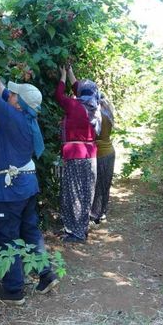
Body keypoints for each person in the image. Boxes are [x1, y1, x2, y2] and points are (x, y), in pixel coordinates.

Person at [0, 63, 59, 305]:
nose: (9, 94)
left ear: (18, 103)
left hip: (9, 190)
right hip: (27, 187)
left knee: (7, 237)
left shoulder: (12, 116)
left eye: (13, 94)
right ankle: (45, 274)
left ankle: (14, 291)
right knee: (30, 231)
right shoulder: (25, 116)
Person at [54, 65, 100, 243]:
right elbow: (80, 89)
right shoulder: (94, 106)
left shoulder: (74, 105)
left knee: (73, 193)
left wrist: (63, 76)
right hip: (90, 155)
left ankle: (76, 232)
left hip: (75, 155)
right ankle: (82, 228)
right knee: (86, 192)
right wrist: (71, 72)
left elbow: (59, 96)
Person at [90, 92, 116, 224]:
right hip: (109, 151)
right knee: (105, 183)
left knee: (96, 184)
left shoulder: (96, 116)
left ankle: (95, 213)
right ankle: (102, 211)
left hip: (99, 153)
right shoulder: (109, 114)